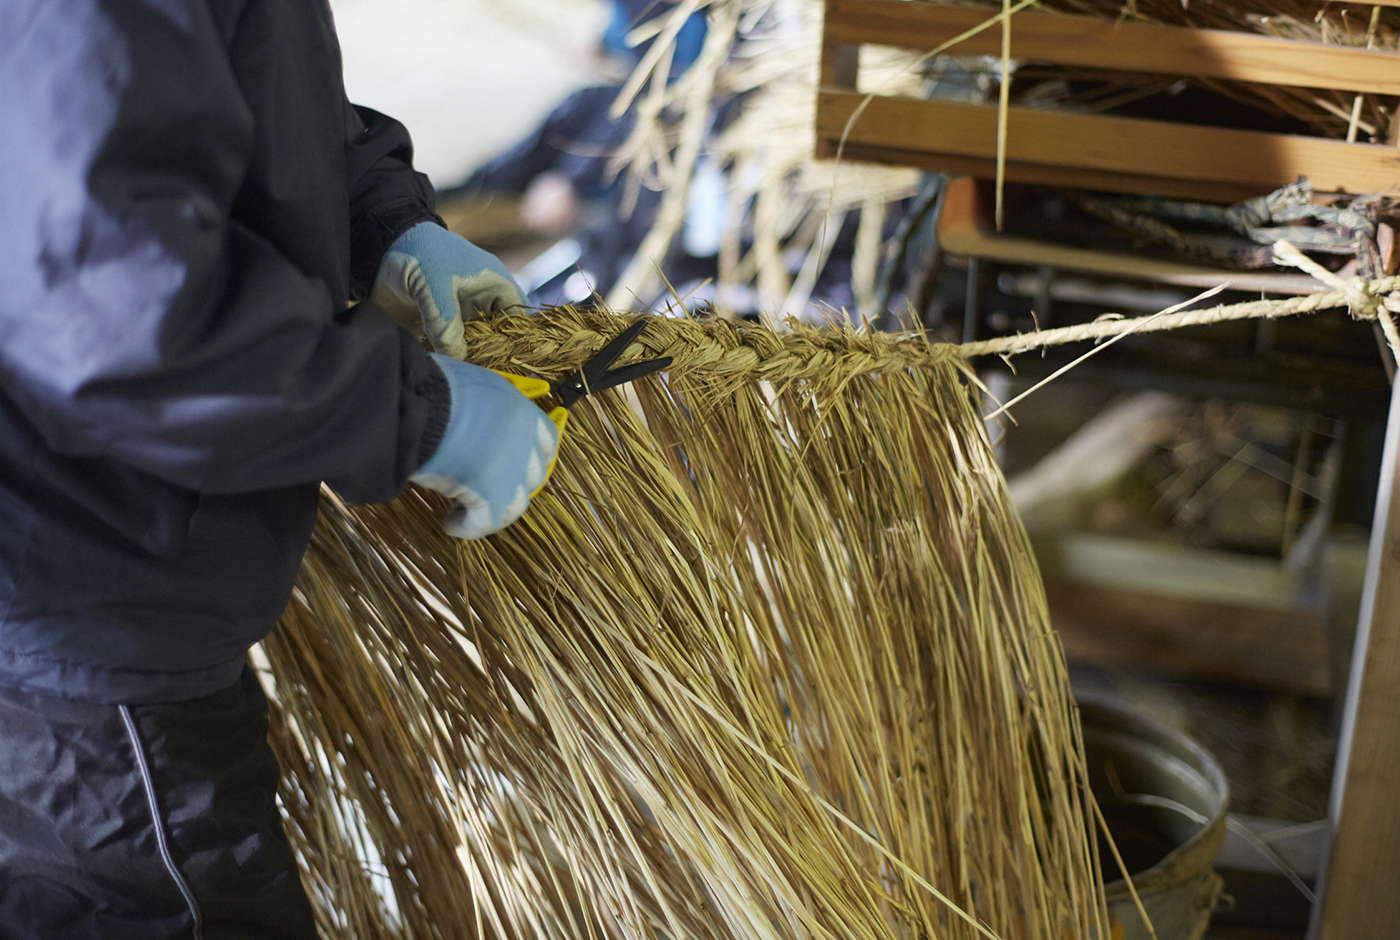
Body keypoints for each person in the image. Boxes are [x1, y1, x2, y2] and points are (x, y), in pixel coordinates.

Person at [0, 0, 557, 935]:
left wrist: (383, 217)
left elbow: (231, 83)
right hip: (89, 626)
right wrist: (418, 419)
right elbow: (118, 310)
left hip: (107, 603)